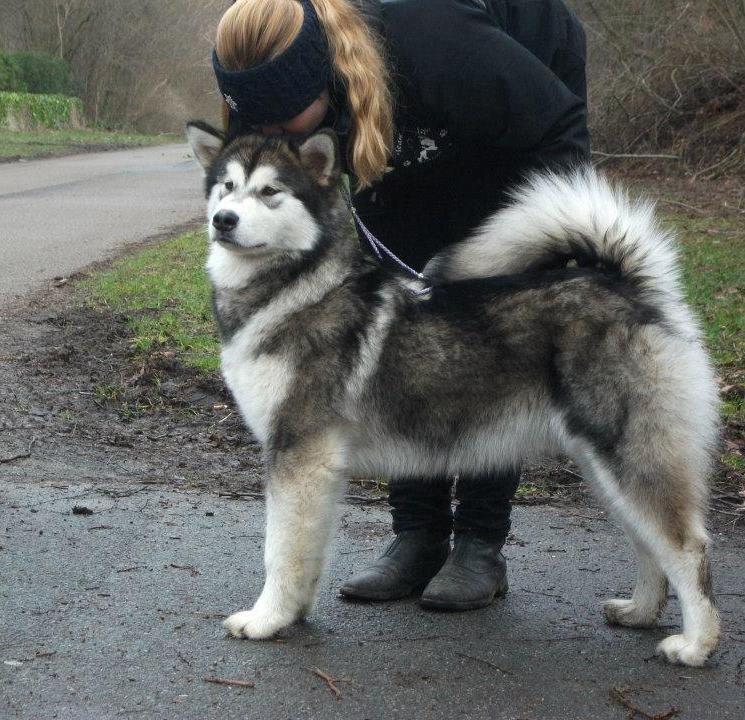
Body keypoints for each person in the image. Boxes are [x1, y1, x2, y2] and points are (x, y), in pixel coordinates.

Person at [210, 0, 590, 611]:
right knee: (401, 325)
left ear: (321, 76)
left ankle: (479, 544)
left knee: (483, 326)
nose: (275, 142)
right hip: (405, 132)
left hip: (521, 125)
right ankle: (417, 535)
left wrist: (555, 252)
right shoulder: (302, 98)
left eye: (284, 123)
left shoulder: (433, 40)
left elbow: (558, 124)